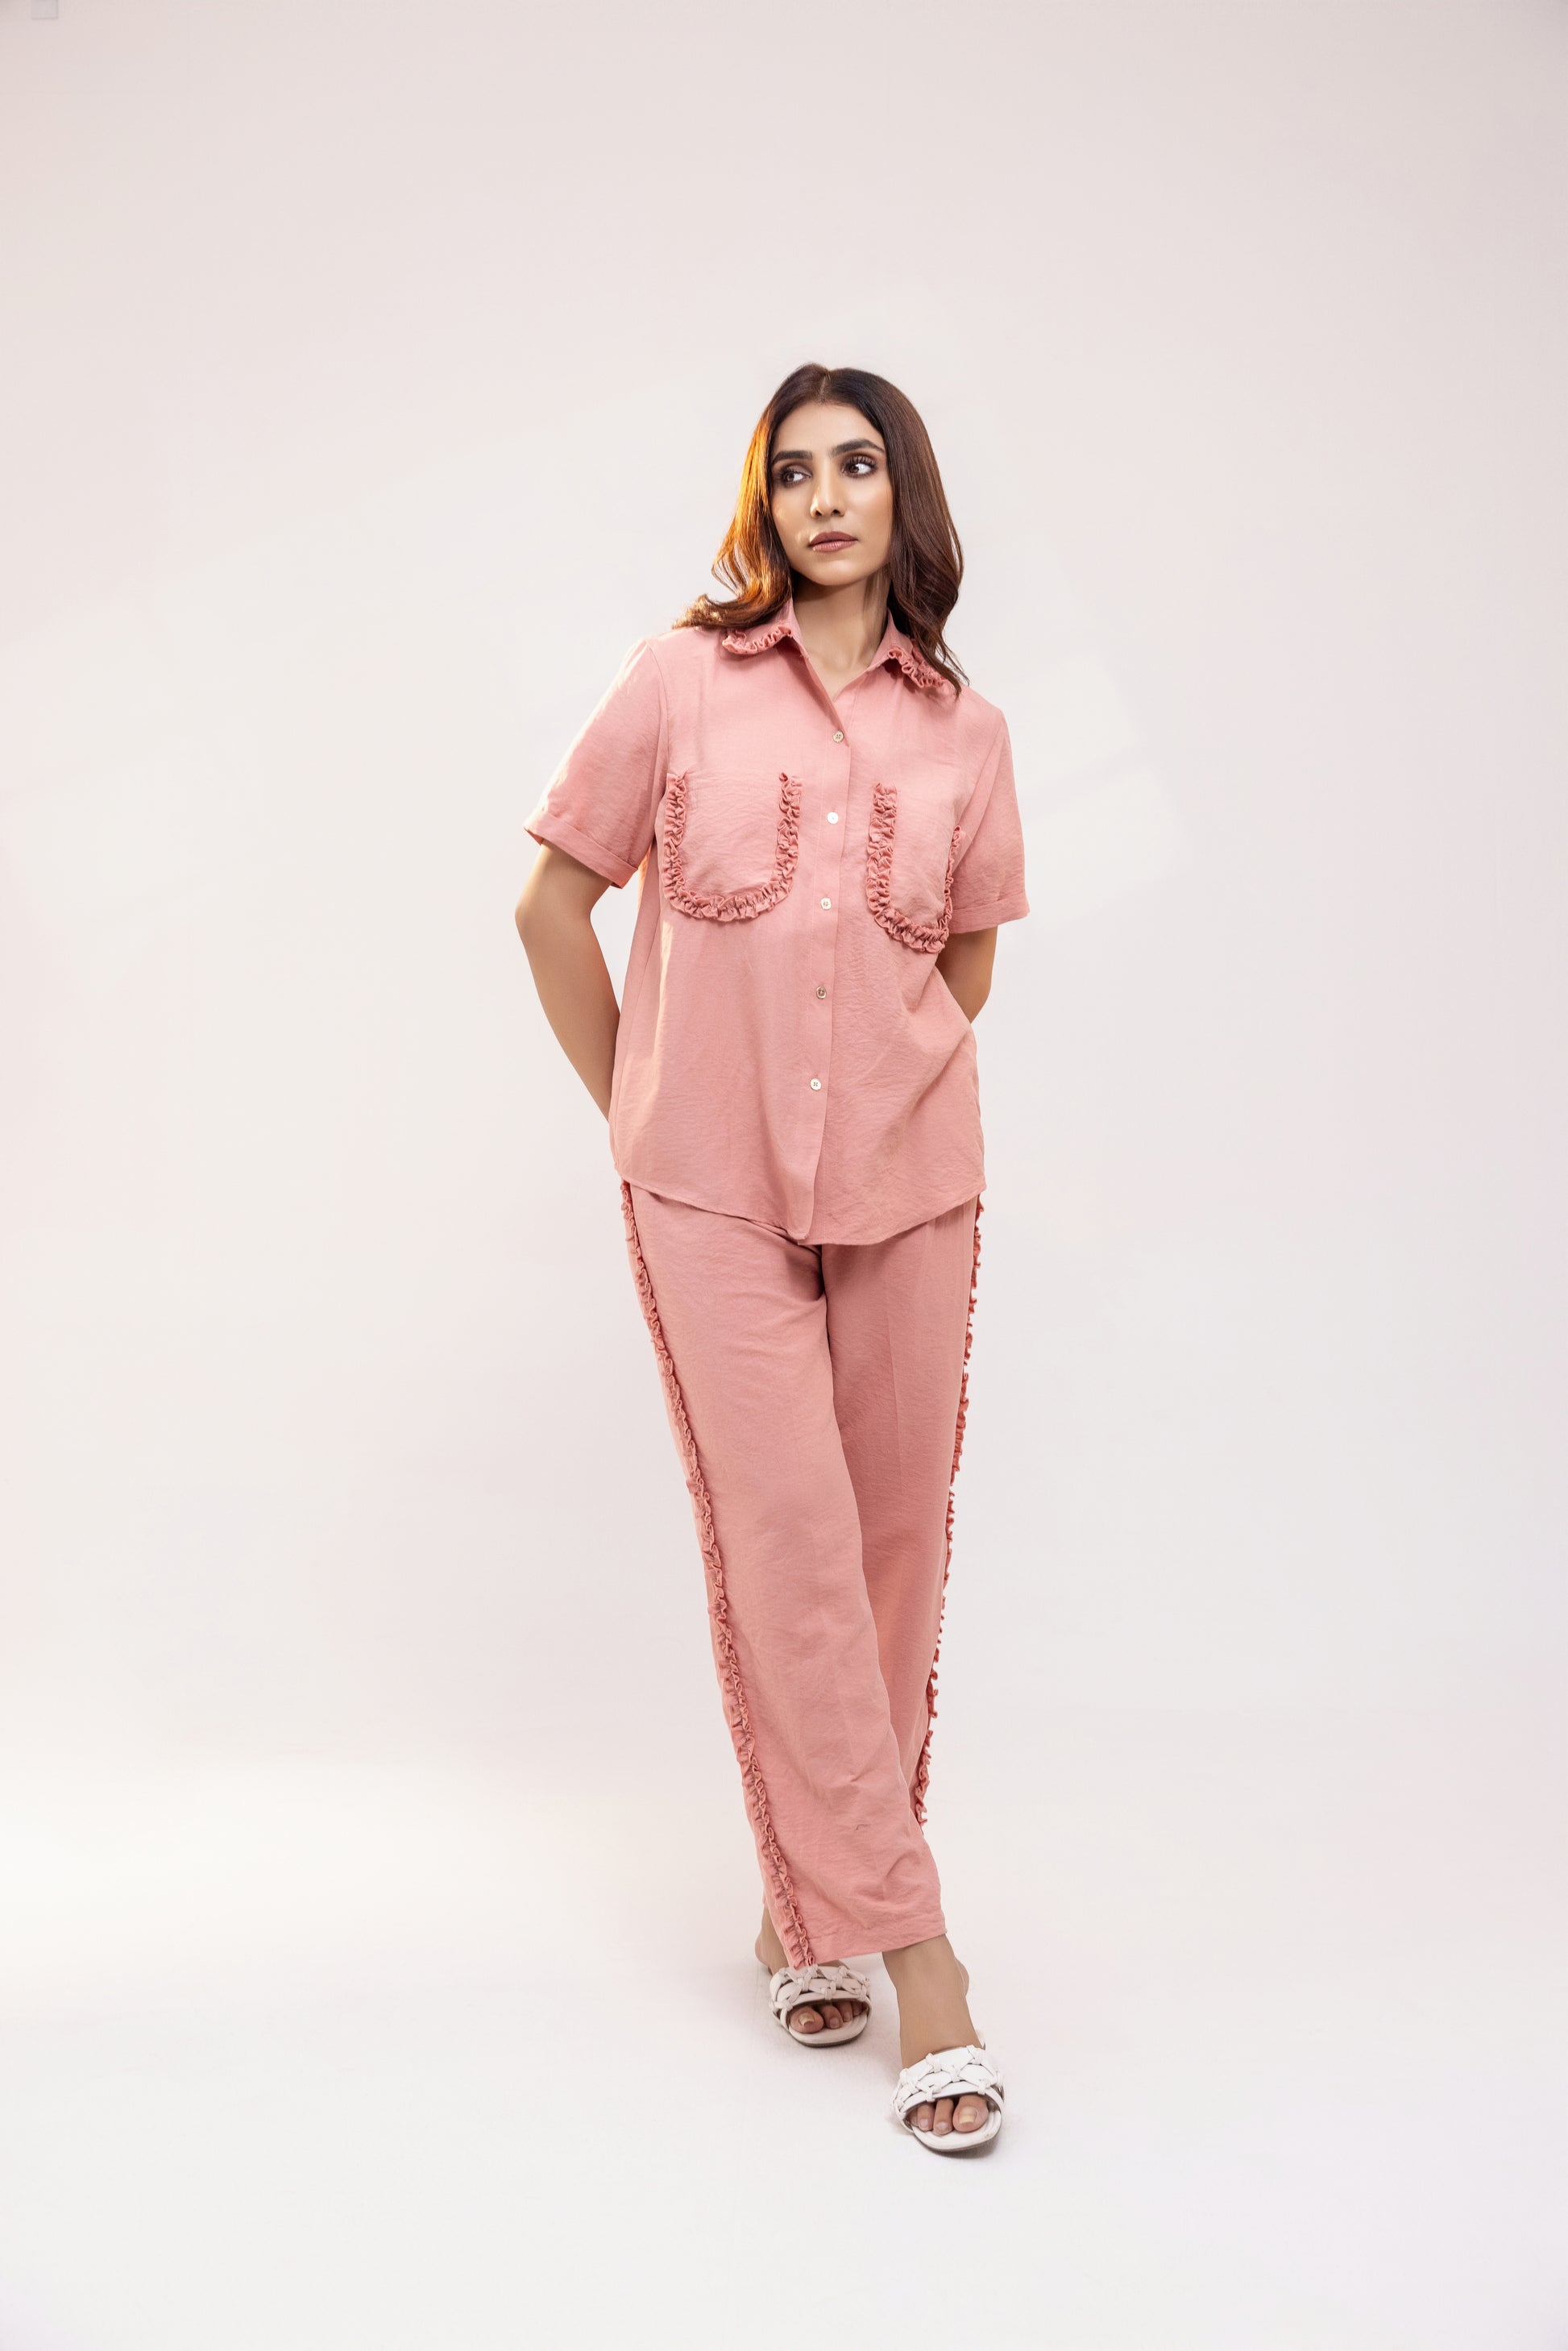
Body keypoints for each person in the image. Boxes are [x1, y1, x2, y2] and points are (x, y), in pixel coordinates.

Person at [515, 363, 1029, 2152]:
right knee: (791, 1541)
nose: (825, 496)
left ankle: (803, 1905)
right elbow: (549, 902)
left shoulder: (968, 731)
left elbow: (964, 962)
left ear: (903, 496)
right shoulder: (678, 684)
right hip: (707, 1187)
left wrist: (881, 1083)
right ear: (764, 502)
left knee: (891, 1551)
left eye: (857, 465)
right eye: (793, 470)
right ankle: (920, 1956)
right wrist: (641, 1105)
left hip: (912, 1178)